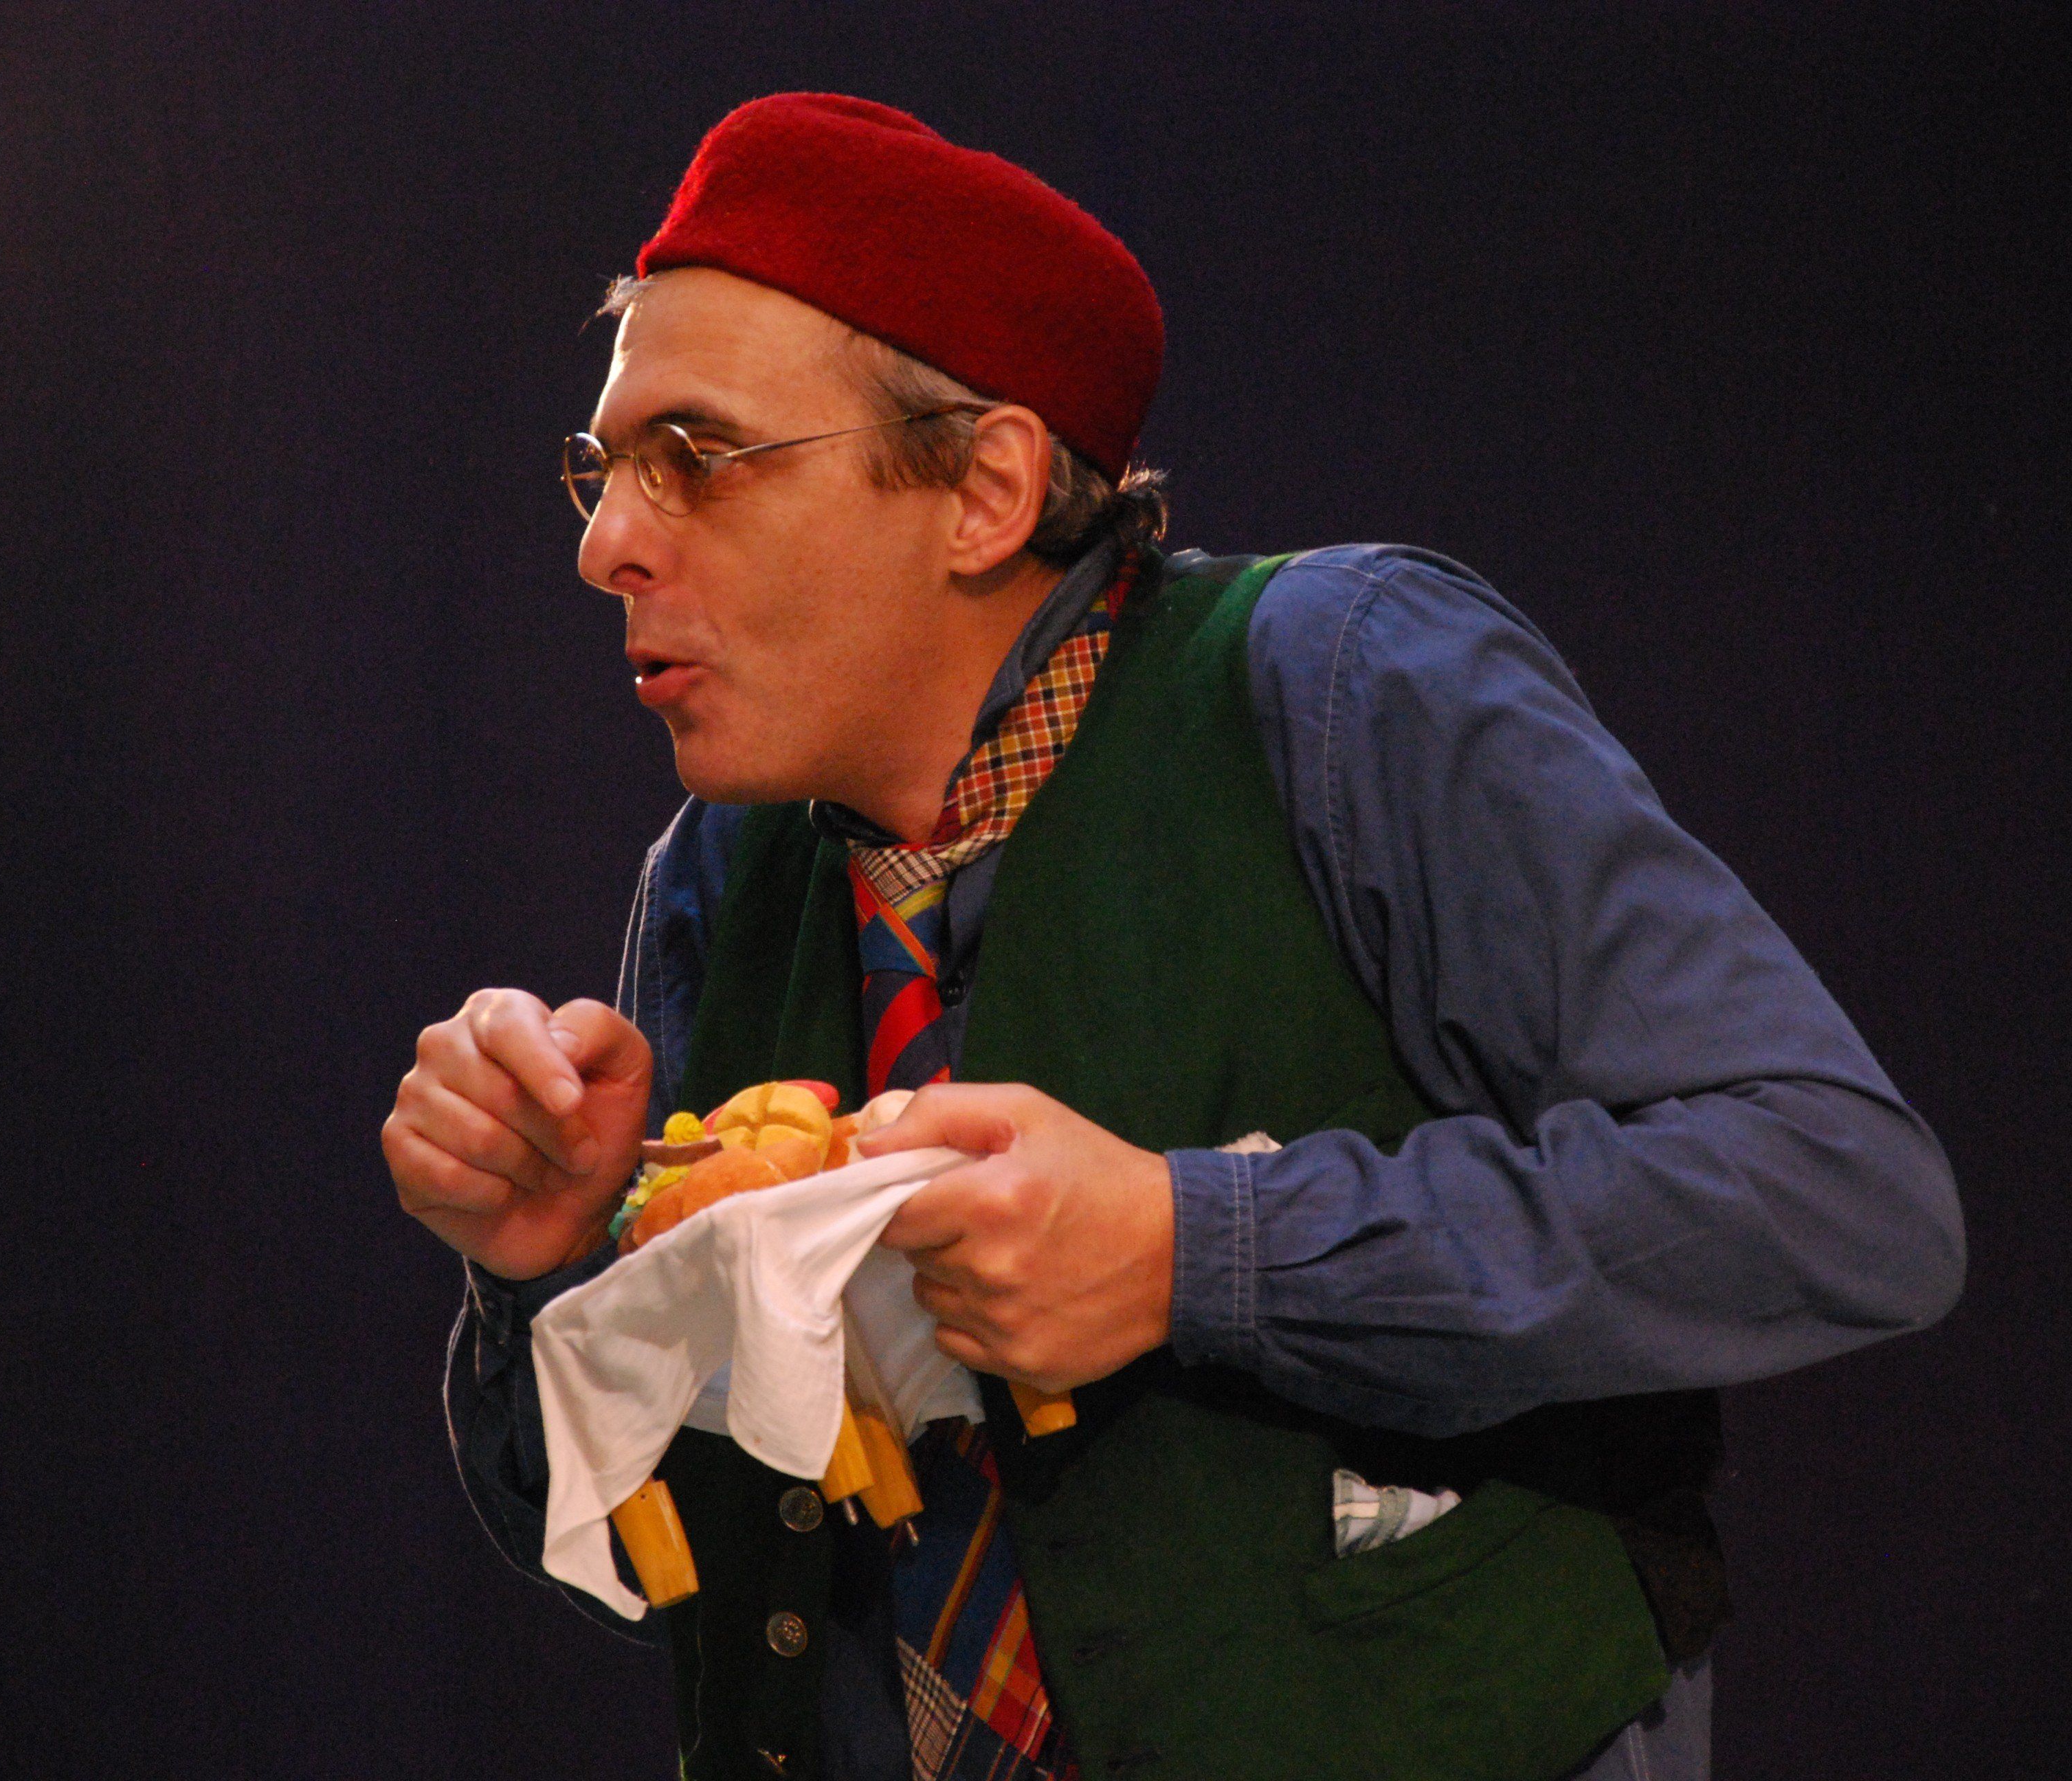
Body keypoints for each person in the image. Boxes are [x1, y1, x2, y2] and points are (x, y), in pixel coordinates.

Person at [383, 93, 1964, 1781]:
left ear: (984, 488)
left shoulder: (1343, 683)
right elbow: (654, 1569)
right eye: (603, 470)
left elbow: (1840, 1197)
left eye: (694, 459)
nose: (605, 544)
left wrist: (1193, 1250)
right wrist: (541, 1270)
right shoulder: (722, 871)